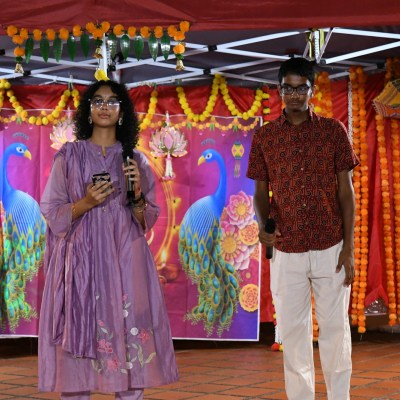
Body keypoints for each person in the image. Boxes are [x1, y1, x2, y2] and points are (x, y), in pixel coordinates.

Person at [38, 80, 179, 400]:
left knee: (129, 335)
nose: (105, 107)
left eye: (112, 101)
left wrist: (137, 195)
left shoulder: (136, 161)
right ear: (87, 110)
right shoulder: (69, 156)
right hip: (83, 262)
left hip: (126, 260)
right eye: (98, 101)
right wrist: (86, 202)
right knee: (80, 334)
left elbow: (145, 220)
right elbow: (52, 211)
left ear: (122, 111)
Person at [247, 57, 359, 400]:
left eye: (301, 89)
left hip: (330, 246)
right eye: (288, 88)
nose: (294, 95)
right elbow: (260, 192)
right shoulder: (265, 137)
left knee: (335, 331)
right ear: (279, 90)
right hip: (286, 249)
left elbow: (346, 192)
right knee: (293, 335)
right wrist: (264, 225)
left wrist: (349, 247)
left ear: (312, 90)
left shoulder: (333, 131)